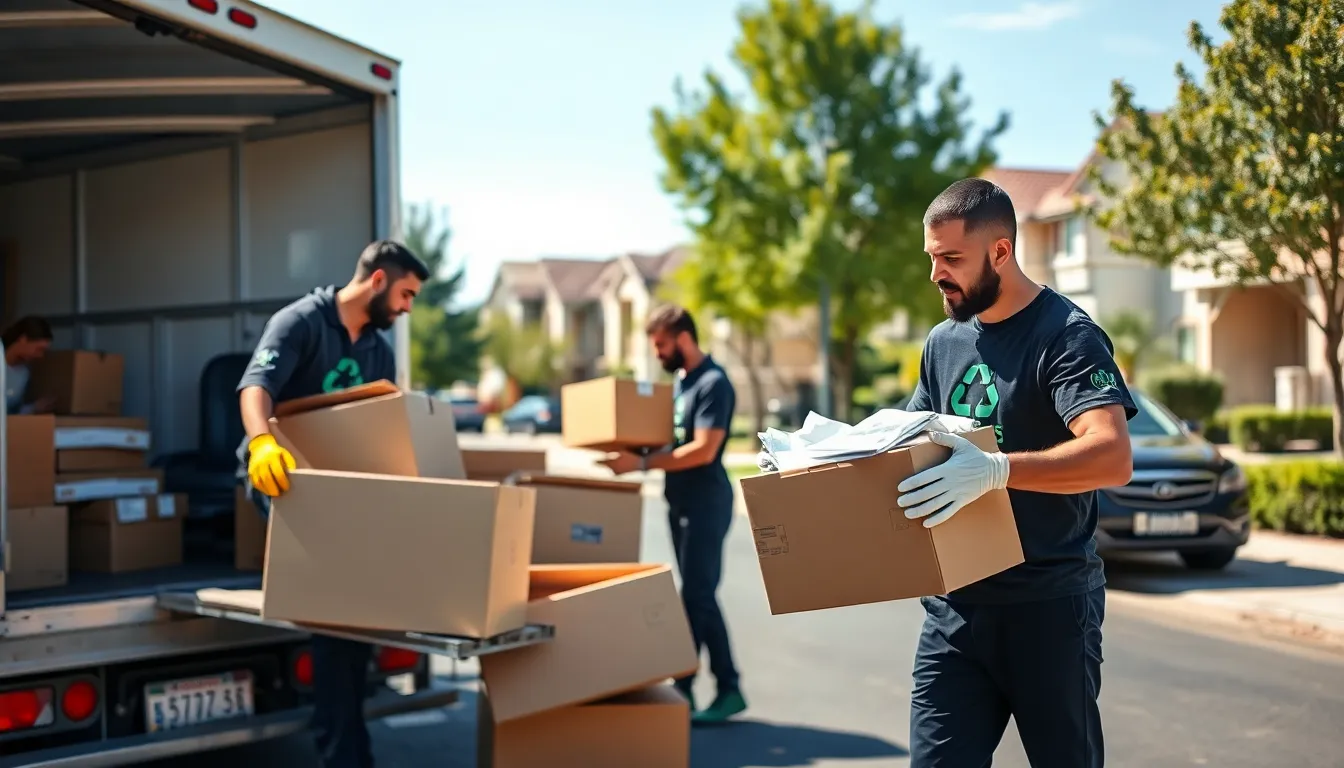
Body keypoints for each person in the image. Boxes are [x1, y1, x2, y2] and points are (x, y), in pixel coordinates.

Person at [900, 178, 1135, 768]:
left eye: (951, 258)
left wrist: (997, 470)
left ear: (1001, 252)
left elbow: (1111, 454)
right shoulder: (943, 342)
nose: (936, 275)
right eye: (932, 258)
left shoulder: (1067, 336)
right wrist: (817, 458)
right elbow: (904, 443)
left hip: (1048, 612)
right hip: (954, 612)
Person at [236, 239, 429, 768]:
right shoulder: (299, 322)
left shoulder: (377, 350)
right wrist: (261, 444)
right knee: (338, 597)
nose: (408, 308)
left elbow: (381, 424)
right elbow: (255, 390)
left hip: (339, 484)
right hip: (279, 472)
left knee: (356, 606)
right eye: (406, 295)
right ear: (378, 282)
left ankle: (346, 743)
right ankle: (346, 753)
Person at [600, 304, 747, 725]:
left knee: (698, 595)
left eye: (662, 345)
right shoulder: (681, 384)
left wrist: (641, 466)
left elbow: (702, 449)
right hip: (679, 501)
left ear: (683, 338)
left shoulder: (713, 384)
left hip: (707, 503)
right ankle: (708, 687)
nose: (659, 354)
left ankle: (704, 686)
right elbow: (668, 441)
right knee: (697, 595)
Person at [3, 315, 55, 415]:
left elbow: (13, 412)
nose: (40, 355)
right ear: (23, 339)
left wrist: (35, 407)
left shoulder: (23, 373)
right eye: (39, 349)